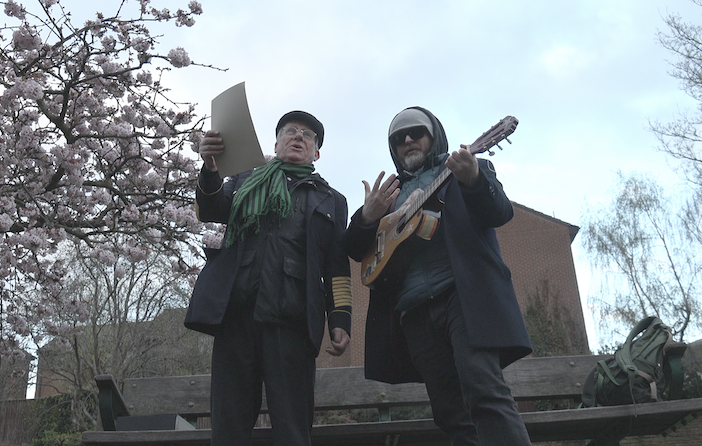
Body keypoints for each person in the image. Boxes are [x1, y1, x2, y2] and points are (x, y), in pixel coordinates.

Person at [343, 106, 533, 446]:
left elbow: (501, 212)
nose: (408, 140)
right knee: (448, 411)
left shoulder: (466, 169)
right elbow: (355, 249)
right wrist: (366, 219)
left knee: (484, 390)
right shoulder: (388, 197)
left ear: (435, 135)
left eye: (416, 132)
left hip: (464, 301)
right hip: (412, 313)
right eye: (398, 138)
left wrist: (473, 179)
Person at [184, 110, 352, 446]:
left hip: (291, 325)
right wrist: (211, 168)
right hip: (236, 321)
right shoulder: (246, 179)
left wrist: (340, 320)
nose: (299, 136)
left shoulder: (332, 200)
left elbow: (336, 266)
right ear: (276, 143)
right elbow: (211, 209)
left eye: (308, 135)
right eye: (290, 131)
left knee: (293, 429)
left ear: (316, 152)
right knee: (229, 429)